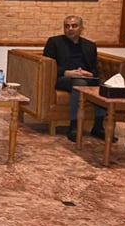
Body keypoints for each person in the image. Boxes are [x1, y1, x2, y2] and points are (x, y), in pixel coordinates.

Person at [43, 15, 113, 143]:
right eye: (67, 26)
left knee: (104, 85)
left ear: (81, 28)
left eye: (74, 26)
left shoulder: (90, 46)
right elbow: (48, 66)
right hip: (63, 78)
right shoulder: (54, 42)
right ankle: (74, 126)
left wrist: (90, 74)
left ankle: (98, 127)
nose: (70, 29)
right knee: (79, 84)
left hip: (85, 77)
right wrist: (66, 72)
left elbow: (94, 70)